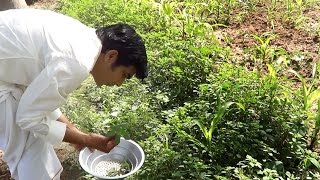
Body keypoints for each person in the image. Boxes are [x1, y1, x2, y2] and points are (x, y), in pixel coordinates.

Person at [0, 8, 148, 180]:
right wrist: (86, 139)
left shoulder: (83, 39)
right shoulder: (77, 62)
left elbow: (39, 100)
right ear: (111, 56)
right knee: (31, 150)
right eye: (124, 75)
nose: (119, 84)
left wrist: (76, 135)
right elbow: (27, 119)